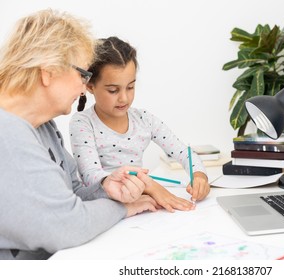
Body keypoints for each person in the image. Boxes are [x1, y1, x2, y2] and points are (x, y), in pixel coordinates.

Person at [0, 10, 158, 260]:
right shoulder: (6, 134)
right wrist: (121, 207)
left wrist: (106, 187)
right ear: (48, 71)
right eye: (83, 75)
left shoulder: (42, 127)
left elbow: (71, 191)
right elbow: (65, 225)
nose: (85, 87)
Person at [69, 36, 210, 212]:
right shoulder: (83, 123)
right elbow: (91, 177)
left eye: (130, 87)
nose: (124, 98)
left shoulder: (144, 120)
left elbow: (183, 152)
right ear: (89, 86)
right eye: (113, 90)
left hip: (140, 205)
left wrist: (199, 176)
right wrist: (148, 186)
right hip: (103, 208)